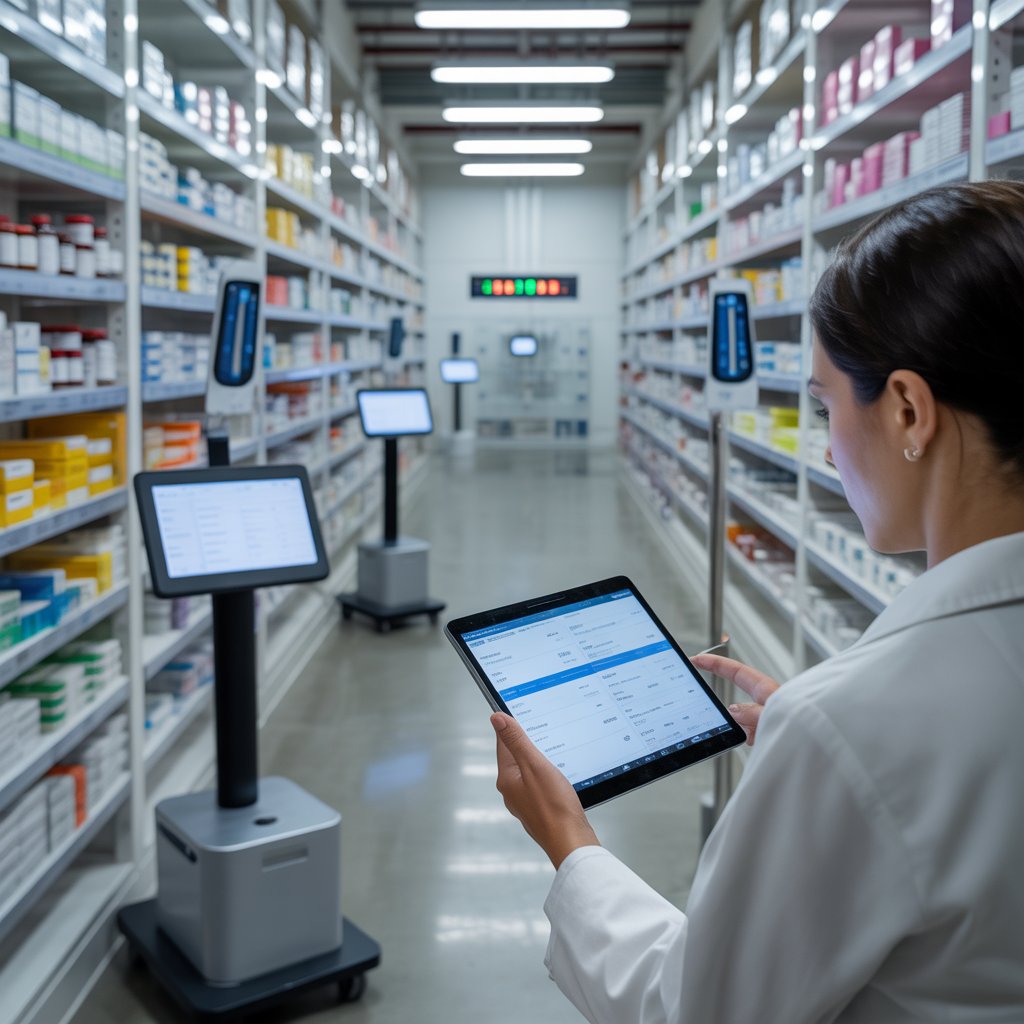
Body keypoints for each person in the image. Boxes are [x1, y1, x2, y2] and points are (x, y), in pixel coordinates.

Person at [490, 181, 1024, 1023]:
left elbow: (694, 1012)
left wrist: (569, 844)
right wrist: (825, 750)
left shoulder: (854, 725)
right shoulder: (857, 723)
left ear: (910, 410)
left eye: (824, 405)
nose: (825, 440)